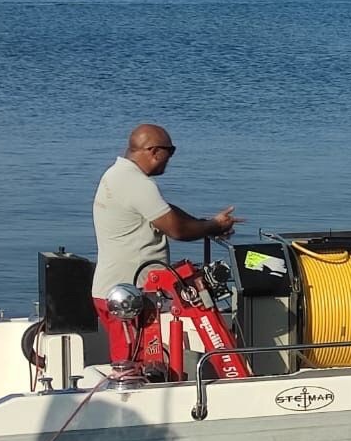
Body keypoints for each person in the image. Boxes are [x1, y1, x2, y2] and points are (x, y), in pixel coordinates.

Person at [91, 123, 243, 360]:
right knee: (132, 366)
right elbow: (177, 229)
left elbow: (166, 213)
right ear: (153, 150)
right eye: (169, 152)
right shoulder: (137, 183)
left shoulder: (118, 174)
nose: (169, 159)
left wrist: (206, 225)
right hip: (127, 295)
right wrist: (214, 226)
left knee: (140, 360)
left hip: (116, 289)